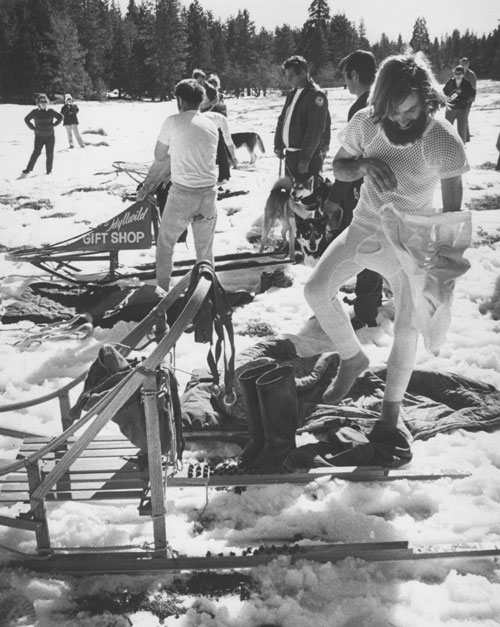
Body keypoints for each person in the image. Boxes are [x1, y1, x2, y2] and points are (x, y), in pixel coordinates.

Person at [304, 53, 470, 433]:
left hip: (412, 240)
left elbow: (452, 209)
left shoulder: (442, 139)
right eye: (391, 111)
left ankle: (390, 414)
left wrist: (442, 266)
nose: (399, 120)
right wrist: (361, 166)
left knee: (408, 328)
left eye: (409, 111)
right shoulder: (367, 122)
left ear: (426, 97)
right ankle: (352, 358)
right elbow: (339, 167)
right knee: (316, 290)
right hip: (364, 225)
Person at [137, 79, 219, 294]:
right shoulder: (211, 124)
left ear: (180, 100)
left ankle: (162, 292)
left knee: (165, 245)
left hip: (183, 193)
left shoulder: (172, 121)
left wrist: (148, 186)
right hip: (209, 194)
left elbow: (159, 156)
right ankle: (207, 294)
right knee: (205, 250)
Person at [323, 50, 383, 330]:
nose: (345, 84)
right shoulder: (384, 100)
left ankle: (367, 312)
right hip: (386, 190)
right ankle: (370, 300)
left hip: (365, 191)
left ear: (355, 75)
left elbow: (349, 163)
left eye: (346, 77)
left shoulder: (361, 109)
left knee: (365, 248)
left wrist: (335, 199)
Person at [274, 55, 330, 183]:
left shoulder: (316, 96)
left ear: (304, 73)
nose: (288, 79)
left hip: (306, 157)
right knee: (291, 197)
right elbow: (282, 120)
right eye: (286, 75)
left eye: (291, 76)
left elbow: (315, 130)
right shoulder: (292, 94)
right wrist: (278, 144)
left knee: (306, 198)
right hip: (290, 155)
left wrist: (305, 158)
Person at [20, 94, 63, 177]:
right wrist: (32, 128)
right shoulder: (35, 112)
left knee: (49, 153)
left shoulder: (50, 111)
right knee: (36, 153)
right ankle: (28, 169)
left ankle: (49, 171)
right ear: (38, 103)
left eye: (45, 101)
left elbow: (60, 117)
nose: (43, 103)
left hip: (50, 136)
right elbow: (26, 119)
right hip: (39, 136)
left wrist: (54, 125)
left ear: (47, 102)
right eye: (41, 102)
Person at [201, 76, 233, 185]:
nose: (212, 86)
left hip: (217, 127)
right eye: (210, 84)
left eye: (214, 84)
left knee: (221, 151)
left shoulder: (219, 98)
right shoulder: (207, 98)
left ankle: (224, 175)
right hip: (208, 126)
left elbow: (222, 113)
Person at [443, 65, 475, 144]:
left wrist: (461, 94)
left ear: (463, 74)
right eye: (456, 74)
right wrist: (449, 98)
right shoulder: (451, 81)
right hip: (451, 108)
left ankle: (462, 146)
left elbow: (472, 93)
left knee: (462, 130)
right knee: (447, 128)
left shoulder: (467, 83)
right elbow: (444, 90)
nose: (458, 75)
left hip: (463, 109)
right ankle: (447, 145)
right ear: (454, 74)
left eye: (460, 73)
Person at [460, 57, 477, 142]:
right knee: (463, 116)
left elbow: (473, 87)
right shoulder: (459, 72)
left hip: (468, 98)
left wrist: (471, 98)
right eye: (462, 64)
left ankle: (466, 136)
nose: (464, 65)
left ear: (468, 64)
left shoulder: (471, 74)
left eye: (465, 64)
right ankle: (466, 135)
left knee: (465, 115)